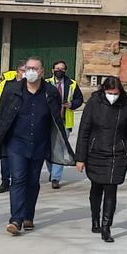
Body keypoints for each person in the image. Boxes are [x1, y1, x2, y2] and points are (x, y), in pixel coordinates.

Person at [0, 56, 74, 236]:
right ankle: (15, 220)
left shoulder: (50, 92)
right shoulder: (12, 90)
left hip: (39, 143)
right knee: (18, 179)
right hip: (16, 143)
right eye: (28, 68)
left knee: (33, 182)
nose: (31, 71)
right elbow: (2, 115)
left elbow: (56, 119)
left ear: (42, 72)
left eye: (35, 68)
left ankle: (28, 216)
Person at [74, 76, 127, 243]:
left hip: (117, 153)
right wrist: (80, 158)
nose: (113, 96)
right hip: (96, 152)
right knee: (96, 187)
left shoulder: (126, 105)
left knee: (111, 190)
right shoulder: (94, 104)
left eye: (116, 93)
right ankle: (95, 218)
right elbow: (84, 131)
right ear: (104, 90)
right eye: (110, 93)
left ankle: (106, 227)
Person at [45, 60, 84, 189]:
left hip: (64, 121)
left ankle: (56, 177)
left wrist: (72, 104)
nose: (59, 70)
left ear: (65, 70)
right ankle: (52, 171)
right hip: (48, 121)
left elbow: (79, 99)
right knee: (48, 149)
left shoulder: (72, 84)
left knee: (60, 149)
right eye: (57, 68)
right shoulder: (46, 83)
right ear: (52, 70)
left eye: (62, 68)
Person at [0, 68, 19, 193]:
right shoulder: (6, 83)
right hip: (5, 125)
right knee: (5, 155)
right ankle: (5, 181)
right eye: (24, 70)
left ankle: (18, 180)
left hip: (22, 127)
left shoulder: (32, 85)